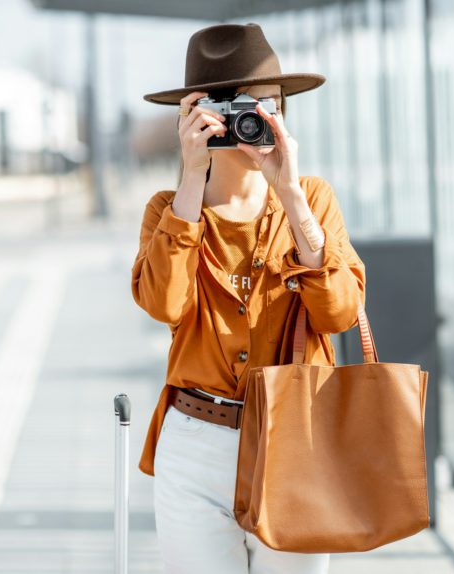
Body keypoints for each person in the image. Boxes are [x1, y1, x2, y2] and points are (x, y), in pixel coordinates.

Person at [131, 22, 367, 574]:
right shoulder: (167, 209)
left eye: (268, 106)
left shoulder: (311, 199)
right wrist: (191, 180)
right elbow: (164, 305)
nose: (252, 121)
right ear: (194, 116)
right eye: (235, 106)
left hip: (294, 440)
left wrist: (289, 194)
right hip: (195, 443)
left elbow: (339, 312)